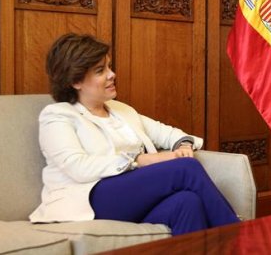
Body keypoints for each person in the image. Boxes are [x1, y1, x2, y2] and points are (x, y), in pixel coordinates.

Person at [29, 33, 240, 235]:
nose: (112, 75)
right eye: (100, 70)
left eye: (109, 66)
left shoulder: (121, 110)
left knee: (187, 202)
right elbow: (78, 167)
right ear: (76, 81)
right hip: (89, 200)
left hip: (131, 198)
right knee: (186, 169)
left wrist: (183, 146)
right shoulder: (57, 115)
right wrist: (139, 160)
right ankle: (245, 241)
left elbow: (170, 134)